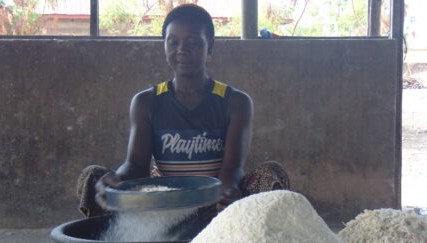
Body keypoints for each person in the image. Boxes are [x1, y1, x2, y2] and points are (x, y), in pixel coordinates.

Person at [77, 4, 289, 219]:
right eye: (173, 42)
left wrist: (224, 193)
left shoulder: (235, 102)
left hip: (216, 203)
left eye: (193, 42)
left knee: (270, 173)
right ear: (164, 46)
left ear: (210, 46)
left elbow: (232, 167)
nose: (182, 49)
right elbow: (136, 166)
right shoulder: (147, 102)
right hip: (163, 203)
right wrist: (116, 180)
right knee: (93, 177)